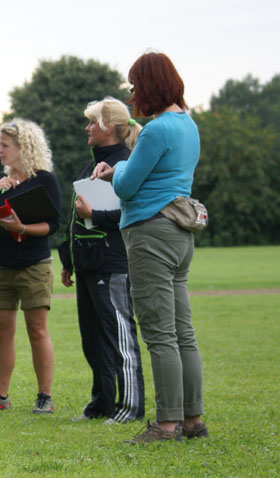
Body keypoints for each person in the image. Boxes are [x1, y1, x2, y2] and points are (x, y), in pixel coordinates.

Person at [91, 52, 208, 443]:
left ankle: (167, 425)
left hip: (151, 233)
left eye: (136, 84)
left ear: (152, 85)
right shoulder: (188, 125)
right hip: (180, 231)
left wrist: (115, 169)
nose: (132, 92)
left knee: (159, 333)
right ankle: (192, 421)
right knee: (183, 332)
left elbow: (125, 185)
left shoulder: (156, 130)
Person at [59, 97, 145, 424]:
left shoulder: (125, 165)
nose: (87, 128)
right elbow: (73, 219)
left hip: (111, 264)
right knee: (92, 339)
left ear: (108, 127)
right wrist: (68, 260)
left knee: (118, 336)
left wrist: (93, 214)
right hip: (86, 265)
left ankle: (129, 408)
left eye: (92, 122)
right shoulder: (88, 166)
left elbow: (130, 214)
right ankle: (102, 404)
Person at [0, 119, 61, 415]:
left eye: (5, 145)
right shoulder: (0, 179)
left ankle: (44, 397)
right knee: (2, 332)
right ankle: (0, 396)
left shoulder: (45, 180)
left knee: (37, 330)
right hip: (0, 265)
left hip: (34, 265)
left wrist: (23, 227)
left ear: (24, 147)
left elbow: (53, 225)